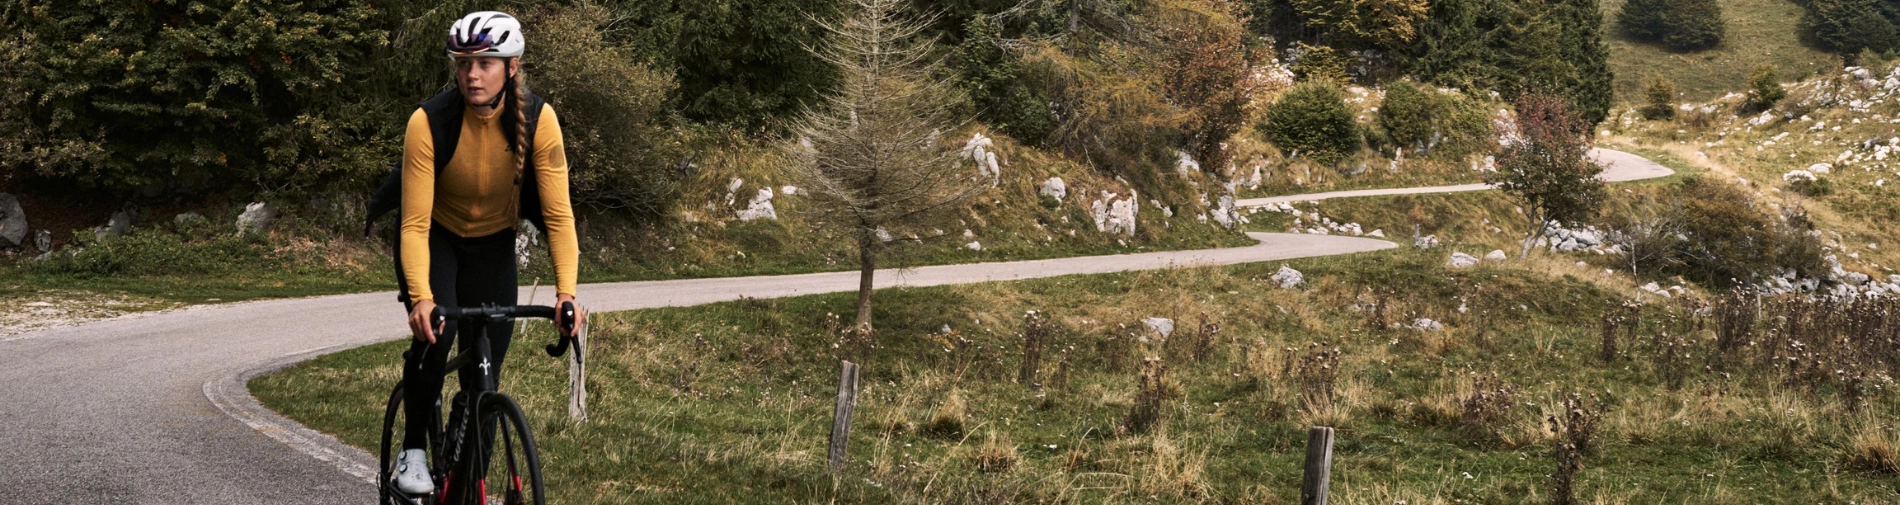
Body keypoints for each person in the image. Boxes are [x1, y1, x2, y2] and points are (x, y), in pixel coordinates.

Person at [393, 11, 585, 495]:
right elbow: (413, 223)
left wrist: (567, 294)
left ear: (513, 67)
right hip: (437, 238)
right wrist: (420, 298)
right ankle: (413, 448)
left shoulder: (540, 121)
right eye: (462, 64)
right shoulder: (428, 122)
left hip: (494, 244)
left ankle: (461, 458)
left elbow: (560, 218)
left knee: (485, 376)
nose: (471, 75)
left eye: (485, 64)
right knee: (438, 333)